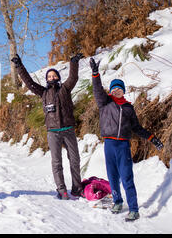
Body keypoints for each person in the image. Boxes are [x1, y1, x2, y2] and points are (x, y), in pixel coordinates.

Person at [90, 58, 164, 221]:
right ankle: (117, 201)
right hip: (109, 144)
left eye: (119, 89)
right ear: (110, 91)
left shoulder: (129, 108)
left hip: (123, 145)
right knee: (112, 176)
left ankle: (134, 209)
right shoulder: (105, 103)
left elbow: (137, 128)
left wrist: (152, 138)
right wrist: (95, 74)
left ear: (124, 91)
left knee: (126, 177)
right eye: (114, 89)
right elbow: (97, 91)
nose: (116, 91)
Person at [11, 53, 84, 200]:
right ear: (46, 79)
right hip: (53, 132)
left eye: (54, 75)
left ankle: (77, 188)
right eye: (49, 76)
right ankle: (61, 189)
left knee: (75, 160)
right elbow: (29, 82)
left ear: (58, 77)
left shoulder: (65, 89)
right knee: (57, 162)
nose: (51, 78)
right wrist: (19, 66)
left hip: (68, 130)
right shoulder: (42, 92)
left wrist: (73, 62)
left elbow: (73, 78)